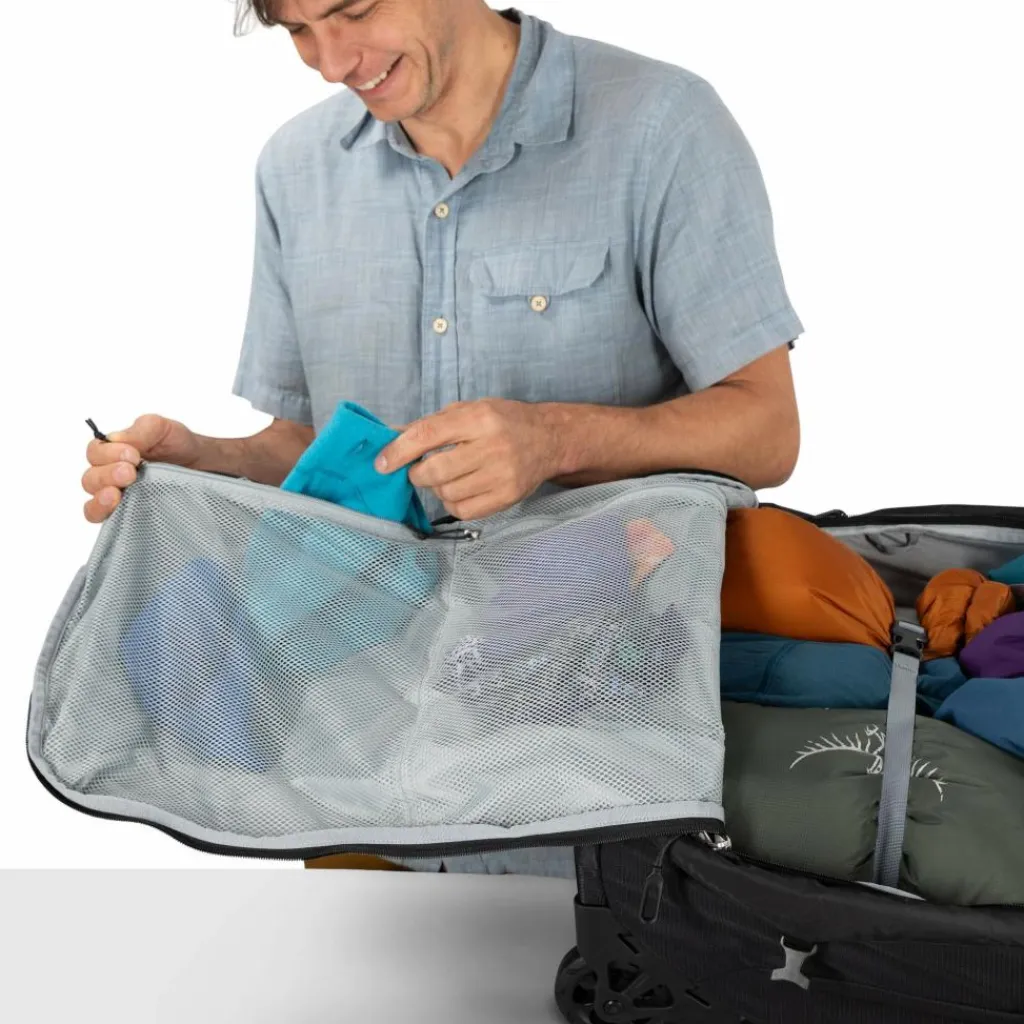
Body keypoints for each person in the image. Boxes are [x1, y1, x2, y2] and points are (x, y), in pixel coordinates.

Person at [80, 0, 804, 876]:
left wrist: (555, 438)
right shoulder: (295, 170)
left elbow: (767, 429)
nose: (331, 61)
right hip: (351, 763)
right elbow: (304, 443)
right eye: (297, 30)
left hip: (597, 759)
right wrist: (207, 465)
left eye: (352, 9)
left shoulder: (661, 126)